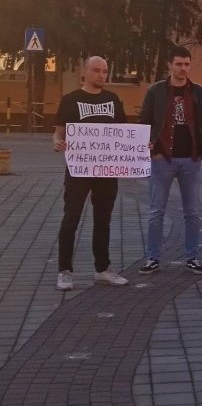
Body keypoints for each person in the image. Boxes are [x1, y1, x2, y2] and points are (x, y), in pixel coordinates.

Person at [52, 56, 130, 290]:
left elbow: (124, 134)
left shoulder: (113, 100)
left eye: (105, 71)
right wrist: (57, 142)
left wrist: (139, 147)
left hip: (106, 170)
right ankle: (64, 270)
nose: (101, 75)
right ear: (84, 72)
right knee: (71, 218)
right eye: (96, 70)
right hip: (78, 169)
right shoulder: (70, 100)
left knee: (103, 220)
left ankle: (102, 269)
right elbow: (58, 132)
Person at [138, 46, 202, 276]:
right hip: (162, 159)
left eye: (187, 64)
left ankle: (192, 257)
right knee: (155, 212)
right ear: (170, 65)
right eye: (179, 64)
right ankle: (152, 257)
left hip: (190, 160)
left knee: (192, 212)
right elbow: (145, 121)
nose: (183, 68)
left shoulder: (199, 93)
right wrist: (151, 147)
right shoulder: (156, 91)